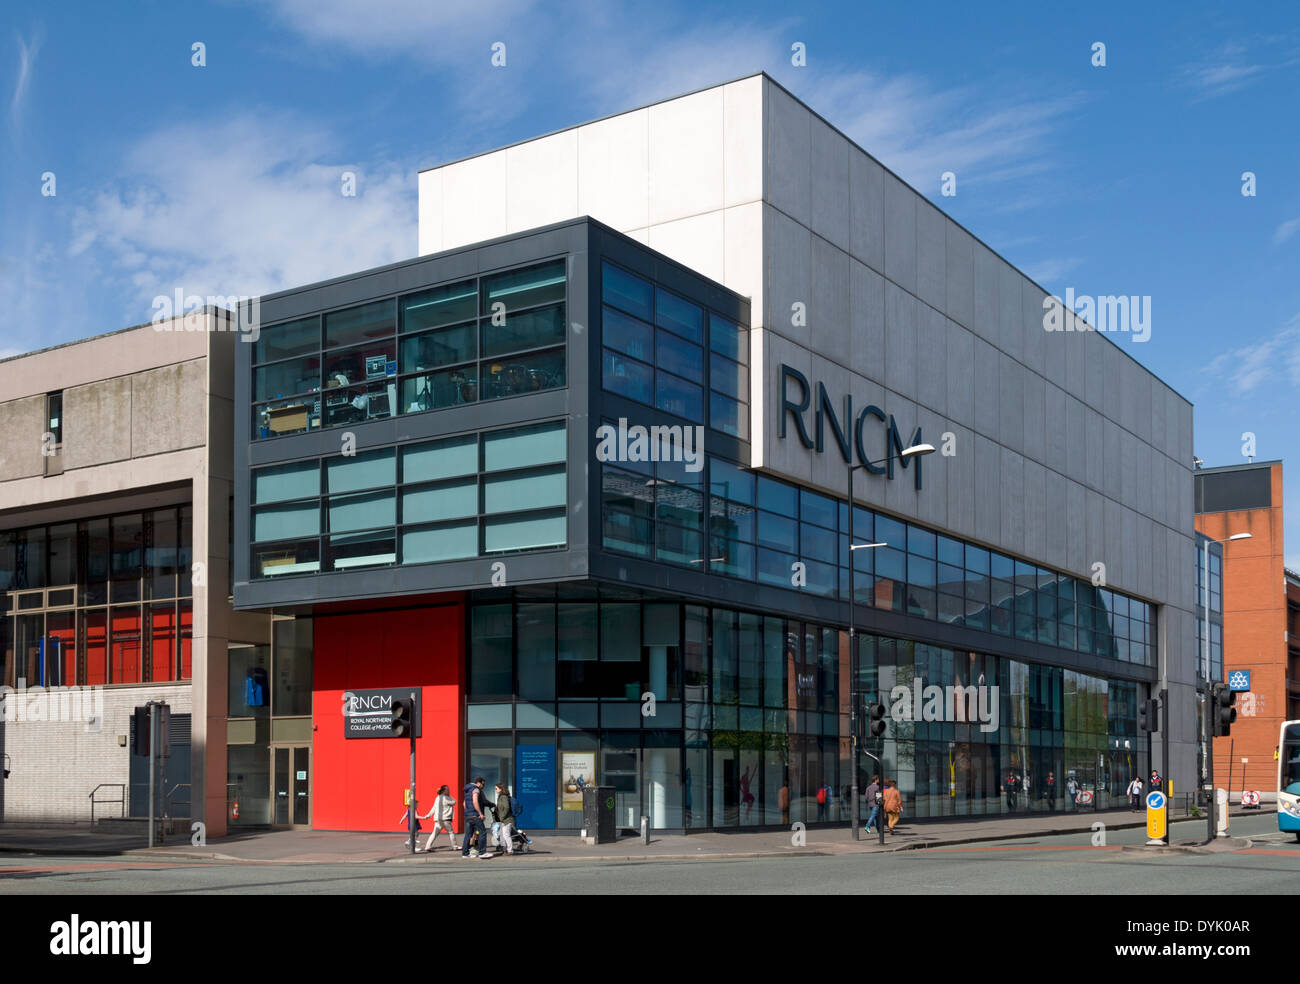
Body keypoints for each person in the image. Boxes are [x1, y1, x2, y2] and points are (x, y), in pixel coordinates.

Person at [461, 776, 494, 859]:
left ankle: (465, 853)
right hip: (475, 815)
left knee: (468, 835)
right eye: (483, 784)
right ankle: (482, 852)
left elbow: (464, 803)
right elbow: (475, 801)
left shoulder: (468, 790)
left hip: (468, 815)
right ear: (478, 783)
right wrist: (480, 814)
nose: (483, 786)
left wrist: (468, 812)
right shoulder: (476, 789)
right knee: (483, 832)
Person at [420, 784, 457, 852]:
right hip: (445, 819)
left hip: (438, 819)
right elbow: (454, 802)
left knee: (434, 833)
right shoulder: (446, 798)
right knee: (451, 832)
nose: (449, 791)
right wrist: (449, 796)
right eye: (447, 790)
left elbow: (434, 808)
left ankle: (427, 846)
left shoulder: (438, 798)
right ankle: (455, 846)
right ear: (443, 791)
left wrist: (428, 815)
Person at [494, 782, 515, 856]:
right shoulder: (501, 796)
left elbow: (506, 807)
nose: (495, 790)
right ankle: (505, 849)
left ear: (500, 789)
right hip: (504, 819)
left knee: (506, 835)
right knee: (503, 835)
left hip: (507, 819)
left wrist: (502, 817)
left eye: (496, 788)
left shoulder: (503, 797)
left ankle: (510, 850)